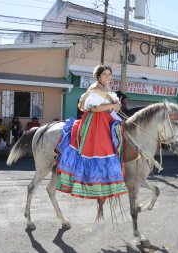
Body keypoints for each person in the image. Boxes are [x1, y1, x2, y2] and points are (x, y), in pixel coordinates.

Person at [54, 64, 127, 199]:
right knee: (101, 149)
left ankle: (106, 184)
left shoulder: (107, 89)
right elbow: (93, 108)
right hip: (96, 122)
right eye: (105, 74)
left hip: (107, 120)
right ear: (98, 76)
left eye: (109, 75)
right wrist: (111, 105)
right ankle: (92, 182)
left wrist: (115, 107)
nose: (108, 77)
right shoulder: (94, 89)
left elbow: (108, 108)